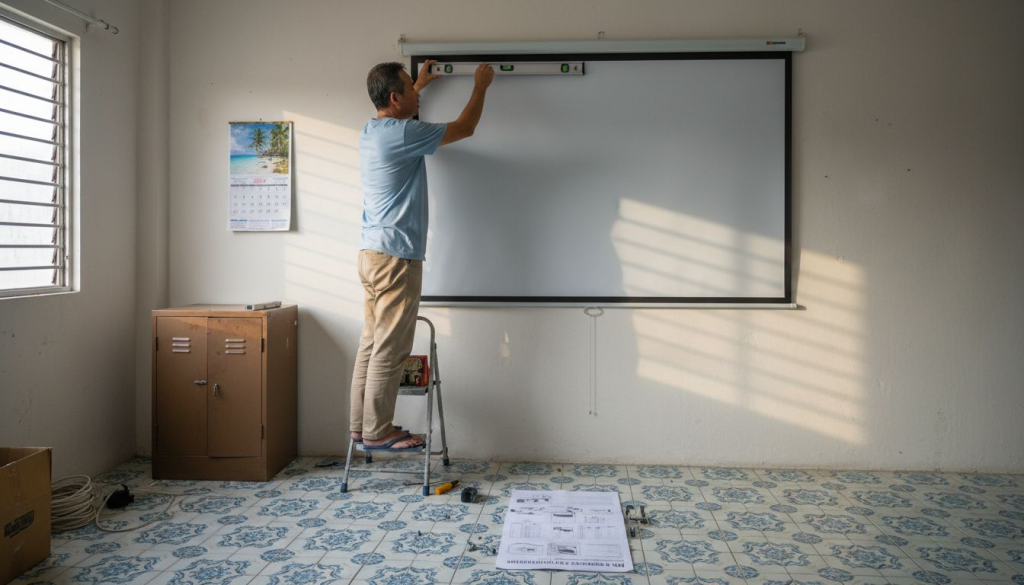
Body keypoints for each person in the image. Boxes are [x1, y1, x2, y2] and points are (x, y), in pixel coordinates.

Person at [350, 59, 495, 451]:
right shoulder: (402, 134)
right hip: (396, 257)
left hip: (372, 253)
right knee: (391, 347)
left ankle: (360, 427)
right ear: (394, 98)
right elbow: (465, 127)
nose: (417, 96)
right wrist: (480, 86)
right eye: (409, 89)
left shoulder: (371, 130)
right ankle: (378, 432)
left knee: (371, 343)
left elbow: (403, 106)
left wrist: (418, 86)